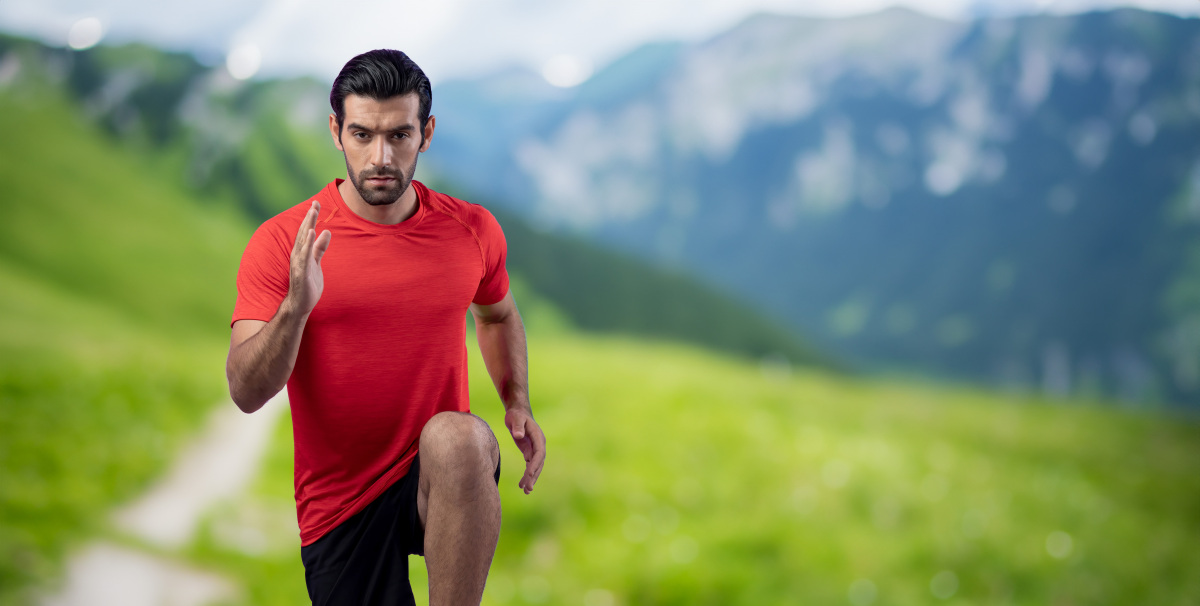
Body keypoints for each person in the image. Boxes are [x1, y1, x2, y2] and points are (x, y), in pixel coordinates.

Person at [225, 49, 546, 606]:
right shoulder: (283, 242)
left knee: (461, 439)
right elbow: (246, 392)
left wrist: (516, 399)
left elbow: (496, 312)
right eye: (363, 134)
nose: (381, 156)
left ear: (426, 133)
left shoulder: (470, 230)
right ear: (335, 131)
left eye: (399, 135)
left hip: (437, 476)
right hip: (341, 502)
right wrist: (295, 309)